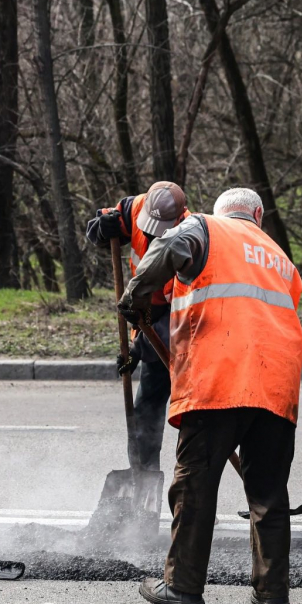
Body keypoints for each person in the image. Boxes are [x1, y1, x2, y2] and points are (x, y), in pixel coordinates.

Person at [118, 187, 302, 604]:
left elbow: (168, 247)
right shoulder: (280, 257)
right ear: (258, 216)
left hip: (218, 378)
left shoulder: (204, 227)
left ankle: (182, 587)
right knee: (268, 493)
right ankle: (272, 596)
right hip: (277, 385)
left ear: (221, 213)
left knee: (195, 486)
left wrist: (137, 295)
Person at [85, 181, 188, 471]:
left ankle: (192, 488)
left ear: (179, 218)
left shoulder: (189, 240)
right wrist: (101, 229)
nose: (152, 234)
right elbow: (98, 231)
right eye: (149, 227)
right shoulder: (134, 207)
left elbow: (178, 319)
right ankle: (142, 475)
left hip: (183, 333)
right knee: (145, 413)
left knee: (192, 416)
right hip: (148, 321)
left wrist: (138, 349)